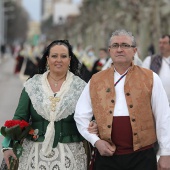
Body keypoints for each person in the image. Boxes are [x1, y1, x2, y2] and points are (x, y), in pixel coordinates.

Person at [74, 29, 170, 170]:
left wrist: (166, 153)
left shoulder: (151, 78)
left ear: (134, 50)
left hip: (142, 157)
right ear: (109, 50)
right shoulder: (95, 80)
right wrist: (96, 142)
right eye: (115, 46)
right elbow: (80, 115)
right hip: (107, 158)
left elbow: (163, 116)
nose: (119, 49)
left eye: (125, 45)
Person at [1, 40, 95, 170]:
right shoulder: (32, 85)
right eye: (54, 56)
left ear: (69, 59)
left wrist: (94, 126)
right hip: (35, 156)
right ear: (47, 59)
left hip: (72, 155)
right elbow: (19, 118)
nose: (59, 60)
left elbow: (91, 119)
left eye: (63, 56)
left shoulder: (81, 87)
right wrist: (8, 146)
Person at [142, 34, 170, 103]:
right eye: (160, 43)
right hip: (156, 103)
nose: (161, 45)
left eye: (164, 43)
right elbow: (142, 81)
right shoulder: (150, 60)